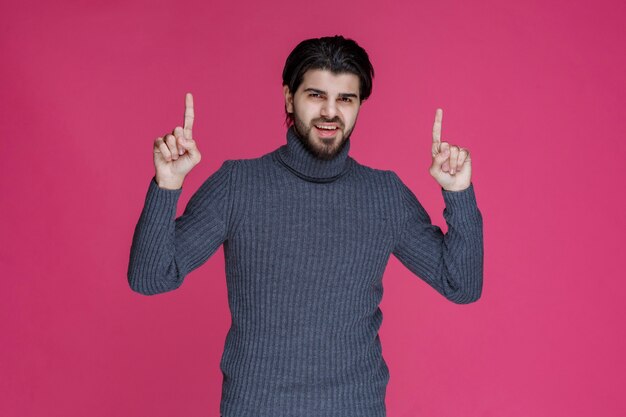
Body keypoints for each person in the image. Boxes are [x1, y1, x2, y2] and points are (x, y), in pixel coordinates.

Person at [128, 35, 483, 417]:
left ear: (360, 104)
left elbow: (460, 285)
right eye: (316, 95)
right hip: (255, 408)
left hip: (355, 407)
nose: (330, 112)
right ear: (288, 98)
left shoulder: (384, 195)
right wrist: (168, 184)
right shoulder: (239, 185)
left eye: (345, 99)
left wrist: (458, 193)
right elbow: (150, 277)